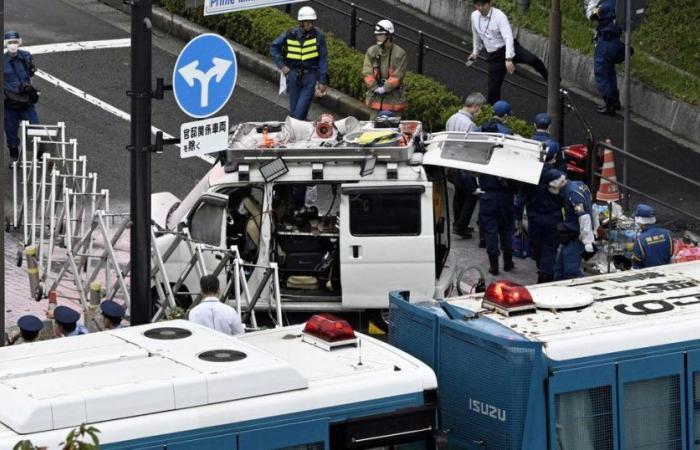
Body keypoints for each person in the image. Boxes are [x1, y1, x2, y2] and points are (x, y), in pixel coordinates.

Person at [468, 0, 548, 104]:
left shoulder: (499, 16)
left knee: (532, 59)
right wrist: (475, 52)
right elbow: (476, 35)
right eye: (478, 5)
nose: (480, 8)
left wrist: (508, 58)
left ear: (489, 3)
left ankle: (550, 79)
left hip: (509, 48)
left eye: (483, 5)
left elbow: (508, 37)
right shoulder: (474, 16)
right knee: (493, 88)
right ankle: (494, 113)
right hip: (495, 55)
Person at [477, 101, 517, 275]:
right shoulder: (508, 136)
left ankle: (494, 266)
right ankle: (508, 262)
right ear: (505, 116)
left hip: (486, 193)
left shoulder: (478, 131)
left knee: (490, 230)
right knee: (506, 229)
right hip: (505, 194)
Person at [514, 145, 563, 283]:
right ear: (554, 157)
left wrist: (518, 219)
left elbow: (520, 200)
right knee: (550, 248)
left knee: (538, 246)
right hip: (553, 218)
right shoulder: (557, 176)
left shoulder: (530, 174)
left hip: (534, 218)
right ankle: (545, 276)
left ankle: (543, 271)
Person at [270, 7, 328, 120]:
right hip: (293, 75)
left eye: (312, 22)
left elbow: (323, 59)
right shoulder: (290, 34)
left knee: (299, 112)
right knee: (294, 110)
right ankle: (298, 133)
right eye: (307, 22)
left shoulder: (319, 36)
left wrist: (322, 80)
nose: (310, 25)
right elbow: (274, 47)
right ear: (301, 22)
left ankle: (294, 130)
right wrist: (282, 66)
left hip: (310, 77)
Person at [445, 92, 486, 238]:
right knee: (471, 195)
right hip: (465, 166)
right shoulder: (470, 125)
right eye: (480, 108)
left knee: (459, 194)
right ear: (475, 107)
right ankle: (461, 226)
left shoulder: (452, 119)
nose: (480, 112)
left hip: (451, 163)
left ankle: (457, 223)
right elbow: (473, 148)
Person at [544, 169, 596, 280]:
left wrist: (587, 241)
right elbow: (592, 208)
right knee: (559, 271)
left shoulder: (572, 194)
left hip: (576, 238)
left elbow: (584, 217)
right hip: (571, 237)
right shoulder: (578, 185)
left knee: (570, 272)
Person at [4, 31, 40, 165]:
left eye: (15, 42)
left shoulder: (26, 56)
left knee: (35, 127)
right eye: (10, 42)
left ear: (19, 42)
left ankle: (40, 153)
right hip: (9, 103)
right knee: (11, 131)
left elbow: (31, 75)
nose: (12, 45)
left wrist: (30, 89)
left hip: (25, 101)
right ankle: (13, 153)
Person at [585, 0, 624, 115]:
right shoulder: (619, 3)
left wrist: (591, 3)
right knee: (610, 73)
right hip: (616, 40)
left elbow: (591, 15)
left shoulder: (606, 6)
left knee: (601, 73)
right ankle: (615, 101)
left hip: (605, 43)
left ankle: (609, 104)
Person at [362, 20, 408, 115]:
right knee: (373, 127)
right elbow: (367, 72)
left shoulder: (400, 54)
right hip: (375, 99)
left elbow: (397, 76)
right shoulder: (371, 51)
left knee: (393, 127)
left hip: (394, 101)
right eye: (377, 35)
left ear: (389, 35)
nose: (378, 37)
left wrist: (384, 88)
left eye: (381, 35)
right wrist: (374, 87)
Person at [631, 204, 673, 268]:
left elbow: (636, 263)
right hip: (667, 270)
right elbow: (671, 254)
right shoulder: (667, 233)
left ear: (640, 222)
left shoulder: (640, 239)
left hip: (648, 274)